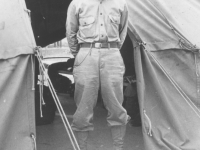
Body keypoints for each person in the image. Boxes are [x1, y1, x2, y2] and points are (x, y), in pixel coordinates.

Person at [66, 0, 129, 149]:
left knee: (116, 106)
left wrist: (111, 50)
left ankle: (118, 147)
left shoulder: (121, 4)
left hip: (112, 53)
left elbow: (123, 31)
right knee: (83, 106)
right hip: (86, 53)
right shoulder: (77, 3)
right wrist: (81, 54)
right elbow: (70, 32)